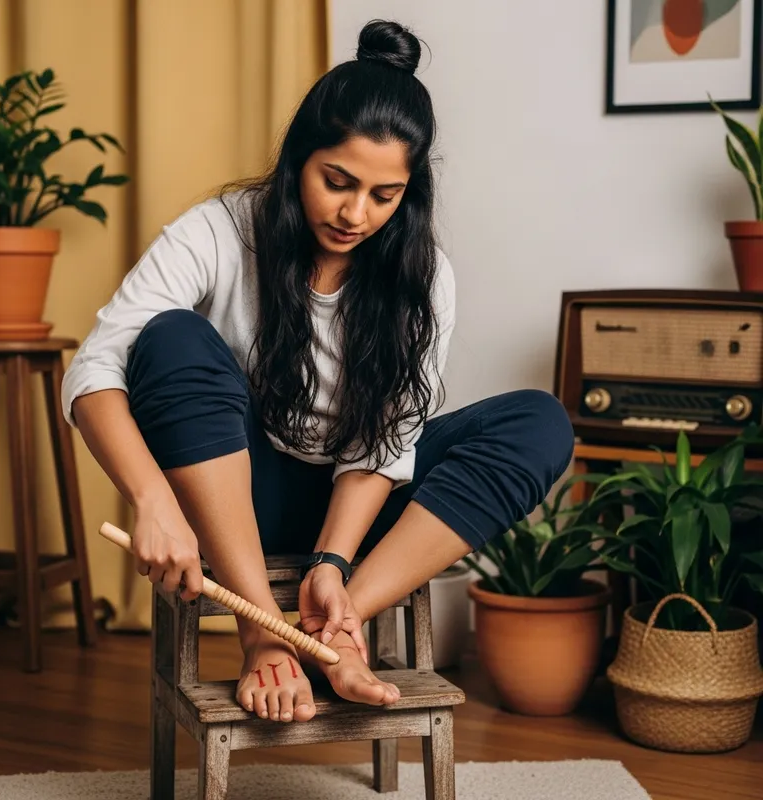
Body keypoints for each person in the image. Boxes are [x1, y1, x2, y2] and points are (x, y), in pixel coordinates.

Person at [61, 18, 574, 725]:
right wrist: (151, 499)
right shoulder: (216, 231)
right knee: (171, 337)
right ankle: (263, 639)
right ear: (301, 156)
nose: (355, 214)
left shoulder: (425, 279)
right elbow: (93, 369)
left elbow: (386, 443)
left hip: (359, 515)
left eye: (384, 195)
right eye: (337, 181)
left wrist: (334, 565)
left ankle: (333, 635)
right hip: (238, 493)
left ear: (409, 190)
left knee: (539, 422)